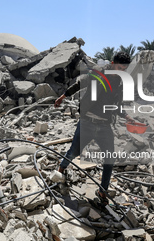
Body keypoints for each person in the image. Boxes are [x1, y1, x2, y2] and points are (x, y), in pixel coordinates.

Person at [54, 52, 134, 205]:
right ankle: (60, 171)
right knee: (74, 152)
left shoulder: (120, 84)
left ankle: (103, 191)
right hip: (87, 122)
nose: (120, 71)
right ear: (112, 63)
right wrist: (63, 97)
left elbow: (116, 106)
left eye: (124, 69)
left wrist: (126, 116)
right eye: (118, 67)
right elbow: (79, 84)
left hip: (104, 125)